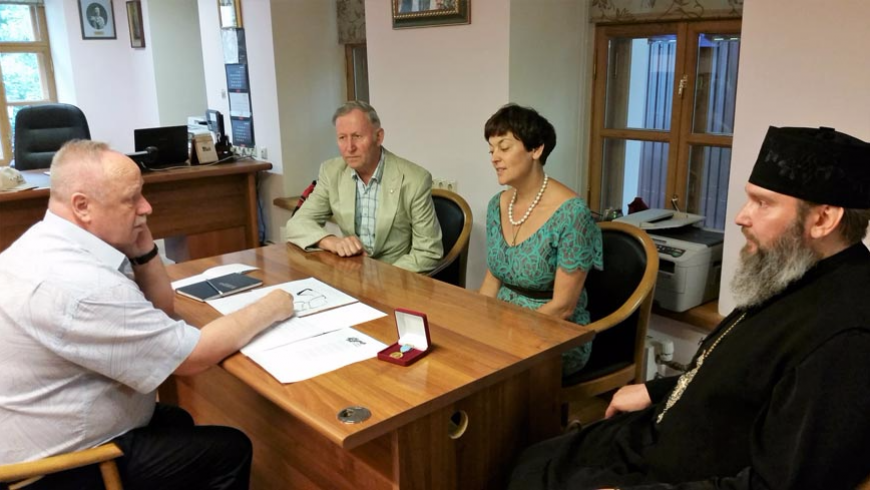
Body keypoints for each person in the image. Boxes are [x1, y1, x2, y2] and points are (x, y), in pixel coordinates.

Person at [507, 126, 870, 489]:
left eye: (763, 203)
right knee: (532, 460)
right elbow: (739, 377)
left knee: (532, 477)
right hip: (659, 433)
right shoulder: (795, 268)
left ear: (823, 219)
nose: (741, 217)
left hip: (678, 476)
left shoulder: (848, 337)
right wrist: (656, 391)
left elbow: (775, 484)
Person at [0, 140, 296, 489]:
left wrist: (143, 250)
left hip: (44, 430)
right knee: (230, 449)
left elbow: (160, 310)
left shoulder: (47, 241)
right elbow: (191, 357)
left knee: (178, 421)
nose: (147, 207)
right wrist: (271, 306)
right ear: (82, 206)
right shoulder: (83, 285)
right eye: (132, 199)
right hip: (52, 472)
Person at [479, 104, 602, 378]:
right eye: (491, 150)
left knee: (485, 371)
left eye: (504, 147)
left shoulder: (572, 214)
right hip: (502, 326)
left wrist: (507, 335)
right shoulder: (497, 205)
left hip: (553, 333)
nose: (495, 158)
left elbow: (563, 307)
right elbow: (493, 277)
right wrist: (476, 323)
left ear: (536, 150)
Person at [285, 101, 443, 273]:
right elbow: (297, 223)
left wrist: (381, 278)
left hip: (396, 277)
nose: (349, 147)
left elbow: (428, 252)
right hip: (350, 275)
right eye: (342, 138)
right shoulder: (331, 172)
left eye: (357, 136)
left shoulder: (414, 179)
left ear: (378, 137)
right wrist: (331, 241)